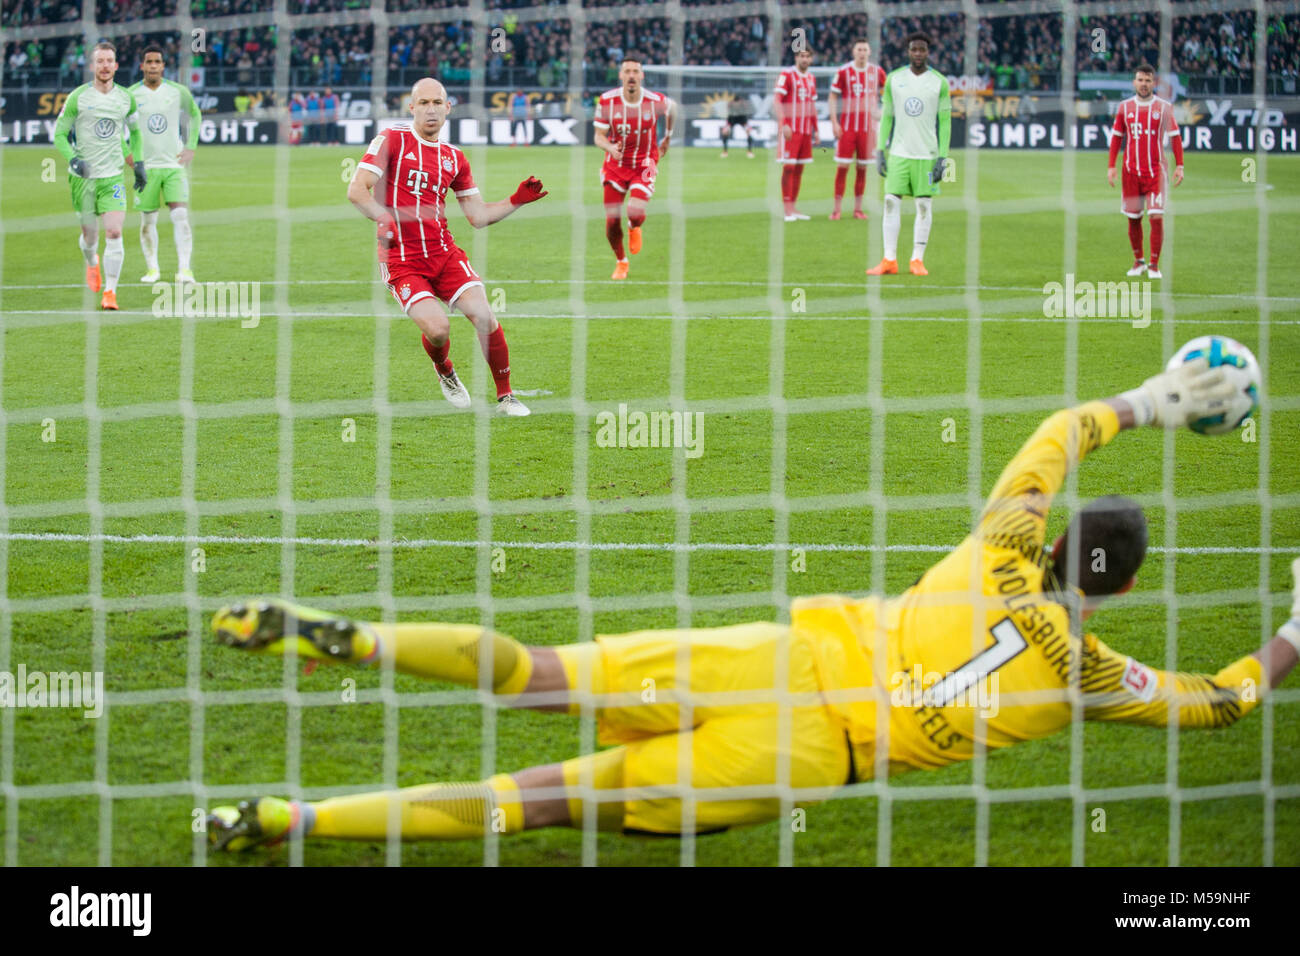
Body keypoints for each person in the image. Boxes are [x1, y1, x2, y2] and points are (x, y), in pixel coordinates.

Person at [205, 358, 1297, 849]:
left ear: (1060, 540)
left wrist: (1145, 403)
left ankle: (350, 634)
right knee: (529, 799)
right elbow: (1219, 700)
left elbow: (1058, 433)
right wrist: (1291, 632)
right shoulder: (1090, 679)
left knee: (537, 672)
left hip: (778, 655)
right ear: (1130, 587)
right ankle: (288, 822)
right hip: (809, 756)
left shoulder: (1004, 545)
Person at [346, 77, 546, 416]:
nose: (430, 109)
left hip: (443, 253)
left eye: (437, 102)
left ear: (448, 107)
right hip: (402, 260)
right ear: (411, 107)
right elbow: (358, 190)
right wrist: (385, 219)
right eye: (423, 103)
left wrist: (517, 200)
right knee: (438, 329)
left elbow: (478, 216)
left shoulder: (454, 158)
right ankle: (444, 369)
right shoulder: (392, 141)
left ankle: (506, 396)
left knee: (485, 315)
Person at [53, 40, 146, 311]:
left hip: (112, 177)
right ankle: (92, 262)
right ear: (92, 65)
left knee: (115, 232)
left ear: (116, 66)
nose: (104, 66)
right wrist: (73, 160)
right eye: (100, 61)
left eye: (109, 61)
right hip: (83, 179)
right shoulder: (78, 97)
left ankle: (110, 292)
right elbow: (59, 134)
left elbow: (137, 133)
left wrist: (138, 163)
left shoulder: (125, 98)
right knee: (90, 237)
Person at [867, 32, 951, 277]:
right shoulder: (894, 79)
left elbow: (945, 123)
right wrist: (880, 150)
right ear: (908, 51)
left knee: (924, 205)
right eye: (914, 49)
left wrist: (943, 157)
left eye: (922, 49)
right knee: (891, 202)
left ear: (928, 52)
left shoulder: (939, 82)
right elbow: (887, 118)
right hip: (899, 153)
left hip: (927, 154)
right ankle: (889, 260)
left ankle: (917, 259)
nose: (917, 54)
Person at [594, 55, 676, 280]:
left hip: (646, 163)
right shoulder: (607, 101)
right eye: (627, 71)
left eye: (635, 71)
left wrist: (667, 137)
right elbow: (598, 137)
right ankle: (621, 261)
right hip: (615, 166)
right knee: (611, 221)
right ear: (621, 75)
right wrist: (610, 148)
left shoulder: (654, 100)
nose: (631, 75)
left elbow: (674, 108)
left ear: (642, 75)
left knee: (635, 212)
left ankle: (633, 225)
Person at [130, 44, 201, 284]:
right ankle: (153, 270)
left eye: (157, 62)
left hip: (173, 166)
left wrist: (191, 145)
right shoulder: (131, 95)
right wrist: (127, 154)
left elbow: (195, 114)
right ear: (142, 66)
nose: (152, 66)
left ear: (163, 66)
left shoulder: (177, 91)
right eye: (148, 62)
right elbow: (118, 127)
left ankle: (185, 269)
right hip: (146, 168)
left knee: (180, 215)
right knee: (148, 221)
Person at [1107, 64, 1184, 280]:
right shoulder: (1124, 107)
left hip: (1156, 172)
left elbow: (1175, 136)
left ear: (1154, 83)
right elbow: (1116, 137)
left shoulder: (1164, 107)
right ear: (1134, 82)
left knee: (1156, 217)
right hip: (1131, 172)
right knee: (1133, 218)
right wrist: (1111, 165)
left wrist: (1180, 165)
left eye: (1148, 80)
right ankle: (1138, 261)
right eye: (1140, 80)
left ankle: (1154, 265)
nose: (1144, 84)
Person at [828, 39, 885, 221]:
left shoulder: (878, 72)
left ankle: (858, 210)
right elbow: (832, 97)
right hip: (847, 128)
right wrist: (834, 122)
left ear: (869, 52)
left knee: (862, 169)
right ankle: (837, 209)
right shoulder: (843, 71)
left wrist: (882, 111)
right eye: (859, 49)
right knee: (842, 167)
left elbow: (890, 94)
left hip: (868, 130)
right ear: (853, 52)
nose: (862, 52)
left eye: (865, 49)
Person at [774, 46, 817, 221]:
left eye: (807, 56)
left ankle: (793, 207)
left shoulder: (811, 78)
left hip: (806, 131)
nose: (804, 59)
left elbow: (812, 106)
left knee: (799, 168)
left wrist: (817, 130)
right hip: (790, 130)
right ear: (795, 58)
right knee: (789, 167)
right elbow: (777, 100)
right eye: (801, 56)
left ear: (811, 59)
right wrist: (783, 123)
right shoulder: (787, 75)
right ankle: (786, 209)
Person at [719, 91, 754, 159]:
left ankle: (749, 152)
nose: (736, 104)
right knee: (725, 132)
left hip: (742, 120)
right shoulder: (730, 104)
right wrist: (727, 126)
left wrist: (747, 126)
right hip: (732, 120)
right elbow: (728, 115)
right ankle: (725, 152)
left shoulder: (743, 105)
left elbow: (746, 114)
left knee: (749, 132)